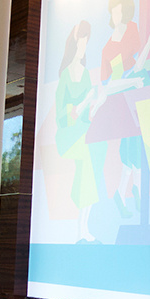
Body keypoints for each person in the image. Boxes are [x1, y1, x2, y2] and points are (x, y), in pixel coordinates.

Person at [93, 0, 150, 218]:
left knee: (138, 144)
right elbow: (109, 85)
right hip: (123, 95)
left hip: (138, 89)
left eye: (121, 11)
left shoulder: (132, 29)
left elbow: (138, 65)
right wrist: (132, 82)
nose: (118, 16)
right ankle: (127, 193)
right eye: (114, 12)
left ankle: (127, 192)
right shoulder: (107, 50)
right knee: (131, 146)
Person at [54, 21, 100, 242]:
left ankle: (83, 228)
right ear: (74, 44)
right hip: (67, 135)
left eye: (86, 42)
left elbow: (87, 115)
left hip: (83, 131)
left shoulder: (86, 74)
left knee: (90, 163)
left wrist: (96, 103)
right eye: (81, 42)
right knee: (88, 163)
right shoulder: (65, 75)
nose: (83, 47)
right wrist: (77, 108)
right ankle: (82, 229)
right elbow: (60, 115)